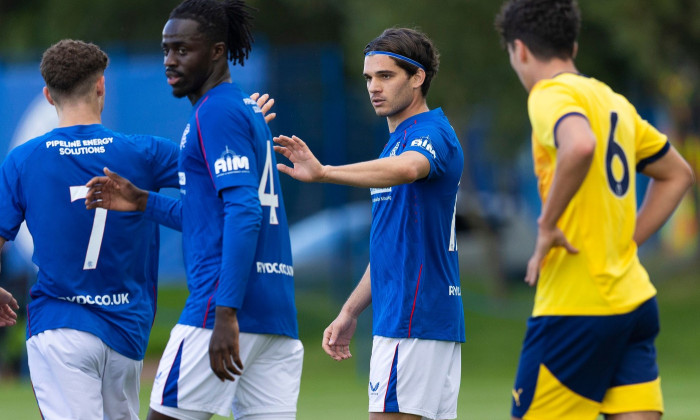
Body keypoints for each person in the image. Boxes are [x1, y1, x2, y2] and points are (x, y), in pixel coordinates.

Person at [85, 1, 302, 419]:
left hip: (221, 310)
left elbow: (244, 212)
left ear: (217, 51)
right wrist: (143, 201)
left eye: (183, 50)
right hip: (275, 315)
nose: (170, 60)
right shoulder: (244, 110)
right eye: (166, 49)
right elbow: (212, 217)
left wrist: (225, 311)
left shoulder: (216, 112)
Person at [494, 1, 695, 419]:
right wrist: (629, 241)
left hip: (576, 306)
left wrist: (546, 224)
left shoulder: (549, 95)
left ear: (520, 50)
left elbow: (580, 145)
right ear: (574, 45)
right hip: (634, 301)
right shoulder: (613, 101)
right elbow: (678, 174)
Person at [274, 27, 464, 420]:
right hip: (415, 321)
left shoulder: (429, 133)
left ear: (418, 78)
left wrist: (325, 172)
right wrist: (351, 310)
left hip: (415, 320)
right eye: (368, 78)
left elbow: (410, 168)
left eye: (386, 76)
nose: (374, 87)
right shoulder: (394, 144)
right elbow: (391, 247)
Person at [0, 39, 181, 419]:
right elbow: (215, 181)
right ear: (102, 85)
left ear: (48, 95)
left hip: (60, 327)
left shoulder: (22, 160)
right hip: (126, 329)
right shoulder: (146, 153)